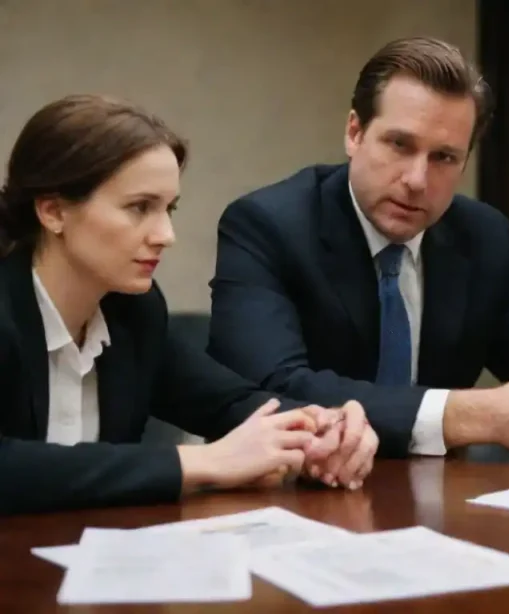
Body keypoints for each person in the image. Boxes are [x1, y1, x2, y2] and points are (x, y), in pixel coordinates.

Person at [207, 36, 509, 460]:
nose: (417, 180)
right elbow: (271, 389)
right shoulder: (268, 225)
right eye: (399, 145)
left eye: (443, 157)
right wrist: (478, 414)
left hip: (433, 497)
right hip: (293, 491)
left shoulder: (482, 236)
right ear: (354, 132)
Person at [0, 94, 378, 516]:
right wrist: (201, 462)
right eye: (140, 207)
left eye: (168, 209)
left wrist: (319, 427)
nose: (166, 234)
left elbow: (226, 402)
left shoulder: (133, 310)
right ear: (53, 211)